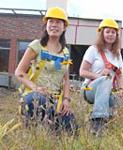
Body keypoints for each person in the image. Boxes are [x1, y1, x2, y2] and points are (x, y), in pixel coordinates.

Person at [15, 7, 77, 135]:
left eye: (58, 22)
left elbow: (66, 80)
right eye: (51, 22)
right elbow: (19, 72)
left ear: (64, 27)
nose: (54, 25)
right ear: (46, 25)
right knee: (43, 104)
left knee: (72, 127)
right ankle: (37, 132)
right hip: (34, 97)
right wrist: (35, 87)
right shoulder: (36, 45)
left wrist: (66, 100)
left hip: (55, 100)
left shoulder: (65, 52)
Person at [79, 18, 123, 136]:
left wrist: (121, 90)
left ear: (116, 35)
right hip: (90, 89)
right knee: (105, 80)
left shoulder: (117, 53)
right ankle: (97, 123)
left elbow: (119, 75)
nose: (110, 34)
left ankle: (111, 127)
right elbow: (82, 72)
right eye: (107, 31)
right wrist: (99, 76)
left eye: (113, 32)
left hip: (108, 91)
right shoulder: (93, 50)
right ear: (102, 33)